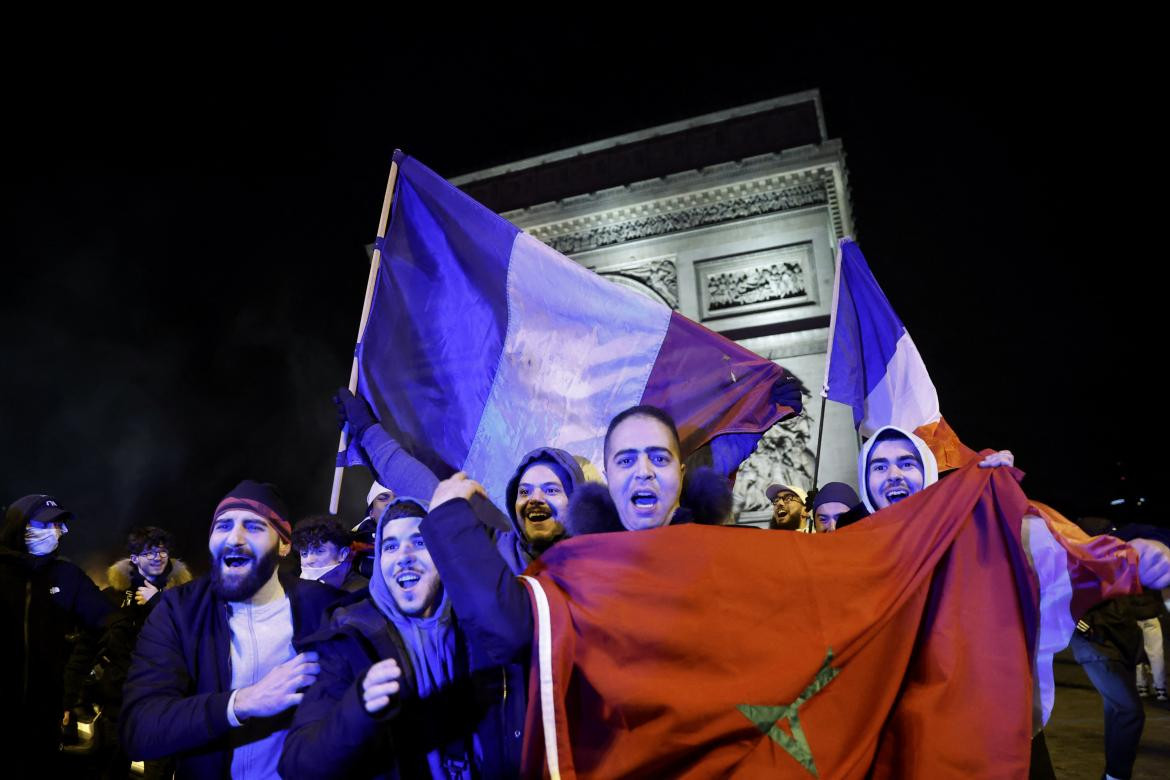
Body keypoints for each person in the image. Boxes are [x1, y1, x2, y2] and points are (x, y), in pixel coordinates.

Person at [279, 497, 522, 778]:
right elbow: (297, 765)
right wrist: (358, 708)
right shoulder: (349, 637)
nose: (404, 555)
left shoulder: (479, 624)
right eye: (390, 546)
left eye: (419, 542)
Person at [120, 480, 339, 779]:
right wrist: (242, 703)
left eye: (254, 526)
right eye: (222, 526)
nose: (234, 538)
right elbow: (139, 729)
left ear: (285, 544)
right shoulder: (178, 611)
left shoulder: (325, 608)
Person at [0, 494, 114, 763]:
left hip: (44, 717)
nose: (59, 532)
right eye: (49, 524)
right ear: (21, 527)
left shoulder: (67, 576)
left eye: (60, 525)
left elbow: (108, 624)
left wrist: (71, 684)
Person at [86, 526, 191, 779]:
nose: (158, 557)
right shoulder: (113, 596)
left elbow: (192, 636)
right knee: (110, 767)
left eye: (162, 550)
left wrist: (160, 601)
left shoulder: (185, 595)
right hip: (119, 700)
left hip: (163, 699)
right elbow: (90, 641)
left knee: (159, 770)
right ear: (134, 558)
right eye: (149, 552)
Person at [292, 515, 369, 592]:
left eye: (319, 551)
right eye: (304, 554)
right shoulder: (298, 583)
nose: (309, 560)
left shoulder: (360, 592)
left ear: (343, 554)